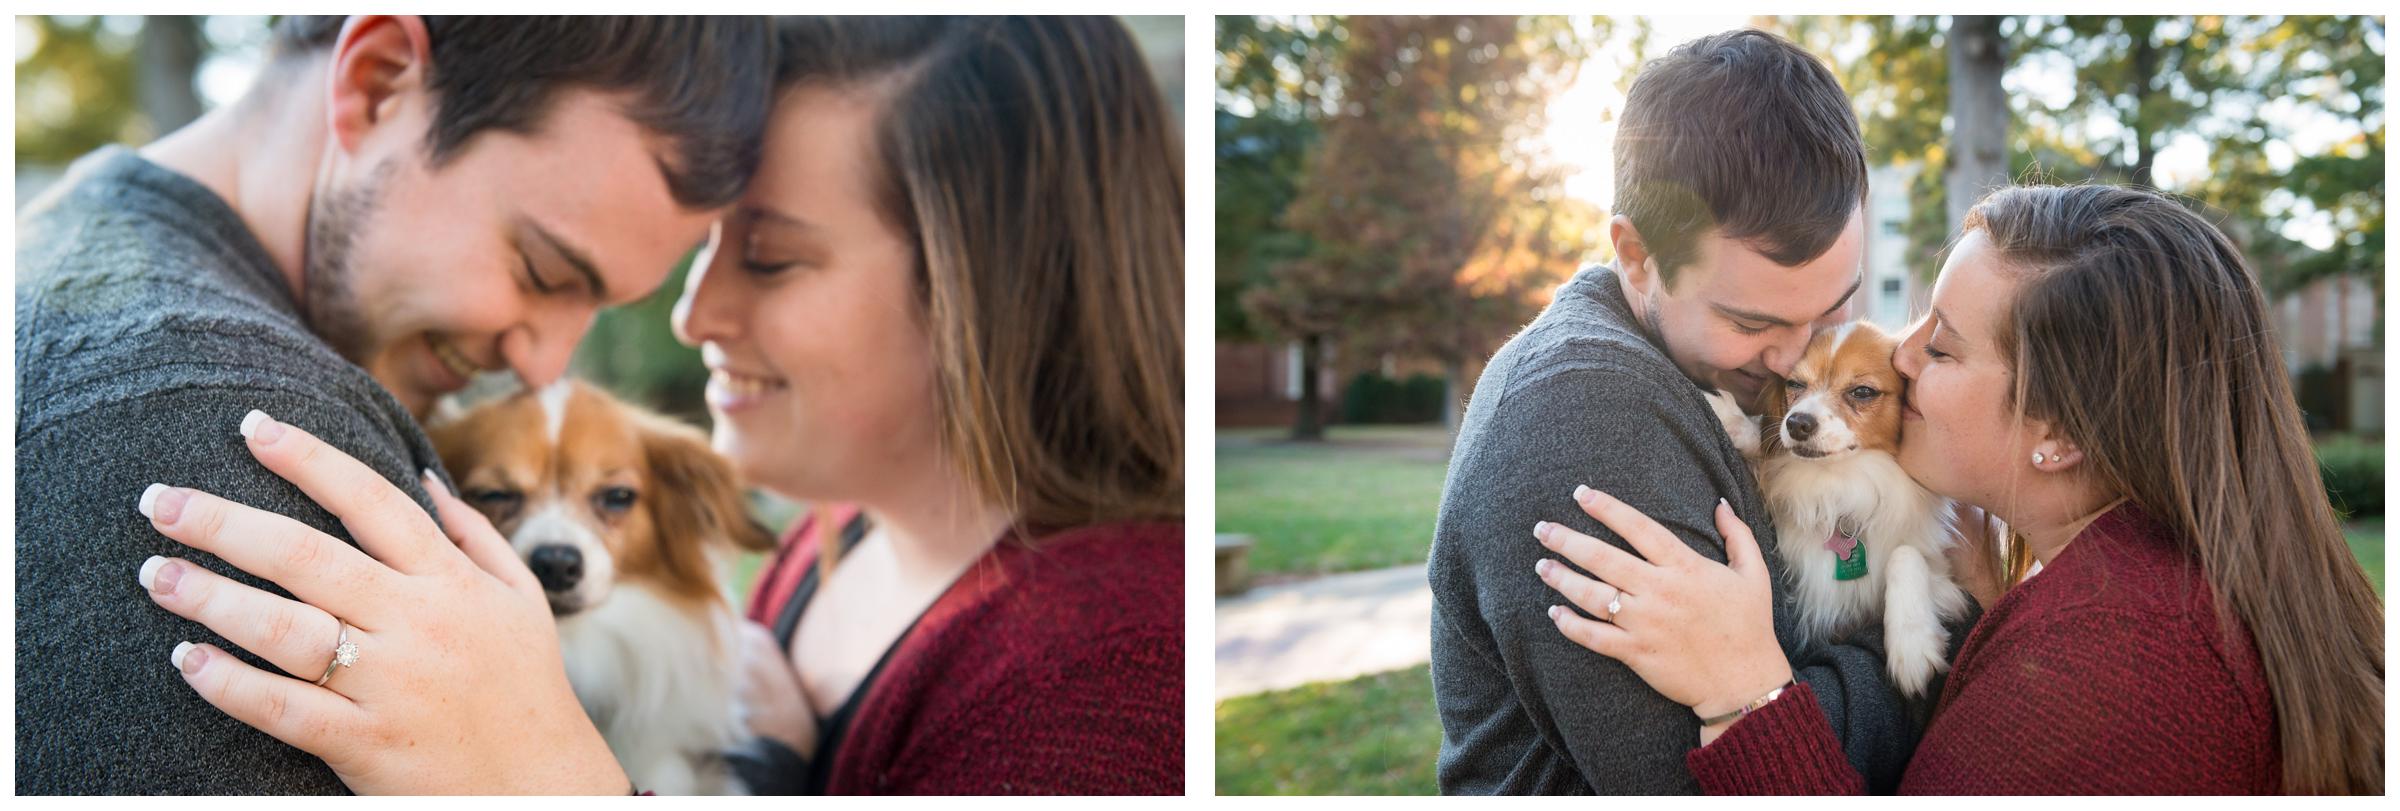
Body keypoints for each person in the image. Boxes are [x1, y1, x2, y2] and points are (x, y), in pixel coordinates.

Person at [119, 15, 1185, 795]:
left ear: (989, 290)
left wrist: (544, 777)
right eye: (706, 251)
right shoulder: (827, 548)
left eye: (766, 259)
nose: (694, 315)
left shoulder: (1113, 676)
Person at [14, 16, 773, 794]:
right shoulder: (250, 433)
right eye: (541, 270)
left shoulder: (59, 251)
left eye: (598, 307)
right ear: (376, 85)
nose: (541, 363)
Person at [1535, 184, 2385, 794]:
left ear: (2060, 435)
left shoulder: (2119, 658)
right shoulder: (2126, 586)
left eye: (1940, 350)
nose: (1898, 359)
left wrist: (1748, 697)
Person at [1429, 28, 1952, 794]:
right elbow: (1697, 781)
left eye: (1831, 308)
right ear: (1637, 255)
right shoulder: (1586, 417)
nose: (1789, 362)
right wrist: (1953, 622)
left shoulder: (1663, 372)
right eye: (1752, 323)